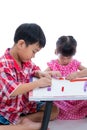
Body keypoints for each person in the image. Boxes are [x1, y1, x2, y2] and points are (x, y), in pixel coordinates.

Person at [0, 23, 58, 128]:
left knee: (54, 110)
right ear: (21, 44)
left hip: (24, 107)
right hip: (5, 112)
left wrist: (41, 73)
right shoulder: (3, 64)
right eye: (33, 51)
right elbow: (13, 89)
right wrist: (37, 83)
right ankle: (22, 127)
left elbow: (34, 69)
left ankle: (21, 121)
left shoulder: (26, 61)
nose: (34, 56)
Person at [45, 35, 87, 120]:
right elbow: (42, 74)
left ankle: (81, 111)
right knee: (52, 105)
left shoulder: (75, 63)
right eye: (62, 57)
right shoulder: (53, 64)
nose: (65, 60)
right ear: (56, 52)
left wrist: (77, 74)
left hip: (75, 97)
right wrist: (51, 72)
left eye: (69, 58)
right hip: (61, 99)